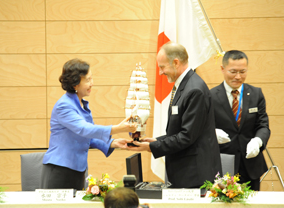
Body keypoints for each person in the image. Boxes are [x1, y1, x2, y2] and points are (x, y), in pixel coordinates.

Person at [128, 42, 222, 188]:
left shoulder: (194, 90)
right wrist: (155, 141)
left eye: (162, 67)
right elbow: (180, 130)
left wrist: (152, 147)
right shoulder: (185, 85)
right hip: (185, 171)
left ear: (176, 62)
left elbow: (186, 136)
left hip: (194, 175)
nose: (160, 72)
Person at [40, 58, 137, 190]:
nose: (92, 83)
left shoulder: (82, 104)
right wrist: (118, 128)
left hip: (77, 169)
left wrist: (112, 143)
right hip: (59, 170)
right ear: (75, 84)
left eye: (91, 78)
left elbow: (88, 137)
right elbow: (84, 129)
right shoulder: (64, 106)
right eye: (87, 80)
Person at [211, 50, 270, 191]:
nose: (238, 77)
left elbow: (263, 125)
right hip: (222, 163)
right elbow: (202, 126)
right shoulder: (210, 96)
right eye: (233, 71)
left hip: (250, 163)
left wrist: (258, 141)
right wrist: (212, 132)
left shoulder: (256, 94)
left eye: (242, 71)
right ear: (222, 69)